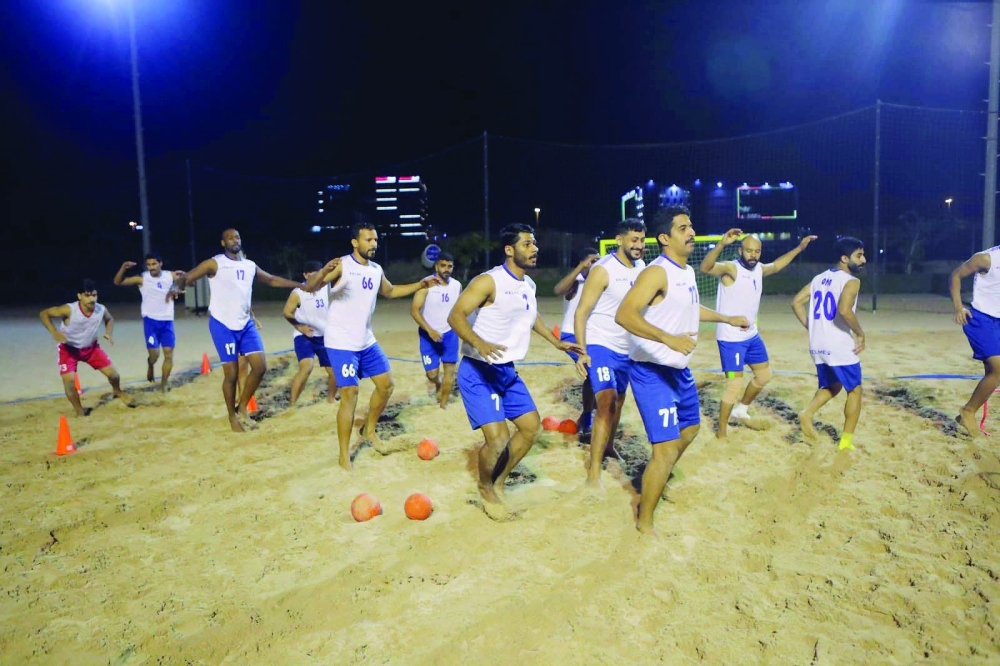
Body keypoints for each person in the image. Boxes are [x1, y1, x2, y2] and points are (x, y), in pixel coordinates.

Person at [616, 206, 749, 535]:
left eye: (691, 226)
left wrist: (727, 318)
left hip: (679, 371)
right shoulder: (655, 273)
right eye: (683, 228)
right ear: (665, 238)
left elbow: (690, 308)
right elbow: (625, 314)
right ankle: (644, 521)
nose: (691, 233)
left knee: (689, 432)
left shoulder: (687, 272)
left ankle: (654, 480)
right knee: (664, 448)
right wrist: (666, 338)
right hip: (651, 371)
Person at [448, 223, 585, 519]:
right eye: (527, 244)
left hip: (506, 371)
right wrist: (478, 342)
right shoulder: (489, 282)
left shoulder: (528, 285)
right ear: (509, 250)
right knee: (497, 439)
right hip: (478, 370)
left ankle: (498, 481)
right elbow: (455, 315)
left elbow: (531, 315)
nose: (534, 249)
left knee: (531, 428)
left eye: (534, 243)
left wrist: (556, 342)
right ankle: (485, 488)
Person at [303, 222, 442, 470]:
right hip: (341, 342)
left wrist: (420, 285)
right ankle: (344, 455)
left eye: (375, 240)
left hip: (365, 341)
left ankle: (369, 430)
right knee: (350, 394)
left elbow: (390, 291)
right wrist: (323, 272)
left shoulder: (376, 269)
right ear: (355, 242)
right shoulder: (343, 265)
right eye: (368, 240)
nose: (373, 244)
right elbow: (310, 288)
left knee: (386, 385)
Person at [169, 228, 310, 432]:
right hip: (223, 325)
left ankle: (242, 406)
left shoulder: (249, 265)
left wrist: (301, 286)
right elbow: (188, 277)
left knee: (260, 367)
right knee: (232, 374)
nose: (234, 240)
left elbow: (270, 279)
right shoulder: (214, 263)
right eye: (229, 238)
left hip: (245, 324)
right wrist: (176, 286)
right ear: (223, 242)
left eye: (237, 237)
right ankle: (232, 417)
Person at [700, 230, 818, 437]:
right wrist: (720, 244)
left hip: (751, 336)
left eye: (757, 251)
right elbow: (706, 267)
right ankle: (721, 432)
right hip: (731, 338)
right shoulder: (731, 269)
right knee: (734, 385)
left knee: (764, 376)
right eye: (749, 251)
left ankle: (741, 410)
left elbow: (778, 264)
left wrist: (799, 248)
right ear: (740, 250)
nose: (753, 255)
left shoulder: (759, 269)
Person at [573, 218, 647, 487]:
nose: (638, 246)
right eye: (633, 240)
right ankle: (593, 473)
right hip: (600, 344)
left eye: (641, 240)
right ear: (619, 240)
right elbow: (581, 312)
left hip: (628, 349)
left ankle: (608, 447)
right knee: (605, 403)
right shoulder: (603, 269)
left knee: (618, 403)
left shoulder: (643, 269)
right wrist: (583, 351)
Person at [790, 236, 867, 450]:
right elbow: (844, 310)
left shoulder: (819, 278)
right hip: (838, 345)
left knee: (833, 385)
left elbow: (796, 302)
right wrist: (860, 333)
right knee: (856, 391)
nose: (864, 260)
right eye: (859, 256)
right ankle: (845, 443)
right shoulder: (851, 281)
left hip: (817, 344)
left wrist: (811, 326)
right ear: (844, 258)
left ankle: (807, 414)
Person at [40, 279, 131, 415]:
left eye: (94, 295)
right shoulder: (69, 309)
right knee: (69, 383)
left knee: (114, 375)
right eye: (87, 295)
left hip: (91, 349)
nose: (91, 299)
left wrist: (108, 332)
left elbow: (110, 319)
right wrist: (54, 332)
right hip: (68, 350)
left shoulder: (101, 309)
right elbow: (44, 314)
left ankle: (117, 391)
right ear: (79, 296)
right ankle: (79, 411)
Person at [113, 253, 184, 392]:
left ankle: (163, 385)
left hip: (167, 321)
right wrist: (123, 268)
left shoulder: (170, 275)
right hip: (151, 321)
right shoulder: (142, 278)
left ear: (160, 264)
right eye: (149, 265)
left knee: (169, 354)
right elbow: (118, 282)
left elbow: (190, 281)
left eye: (154, 264)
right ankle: (150, 365)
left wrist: (179, 283)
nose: (151, 267)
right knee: (155, 355)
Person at [949, 245, 1000, 436]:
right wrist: (958, 307)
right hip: (979, 318)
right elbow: (955, 275)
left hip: (998, 320)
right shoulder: (986, 259)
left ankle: (967, 414)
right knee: (998, 369)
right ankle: (968, 411)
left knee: (994, 373)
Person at [553, 247, 601, 433]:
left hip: (593, 334)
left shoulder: (600, 281)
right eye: (593, 261)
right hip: (571, 335)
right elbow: (558, 289)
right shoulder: (576, 281)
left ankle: (588, 416)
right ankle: (588, 416)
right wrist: (581, 267)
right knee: (592, 371)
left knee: (596, 373)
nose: (597, 264)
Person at [410, 252, 462, 409]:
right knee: (432, 374)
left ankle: (443, 404)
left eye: (450, 266)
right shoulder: (426, 285)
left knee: (450, 370)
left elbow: (458, 309)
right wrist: (430, 330)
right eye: (443, 265)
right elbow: (414, 311)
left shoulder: (457, 286)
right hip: (428, 336)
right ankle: (438, 384)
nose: (446, 269)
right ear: (436, 266)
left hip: (450, 334)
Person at [283, 261, 339, 404]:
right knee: (306, 367)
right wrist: (299, 326)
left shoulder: (326, 287)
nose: (316, 279)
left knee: (334, 371)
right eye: (312, 275)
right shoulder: (297, 293)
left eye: (318, 274)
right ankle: (292, 403)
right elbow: (287, 312)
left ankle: (331, 399)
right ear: (305, 275)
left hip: (324, 335)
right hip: (304, 336)